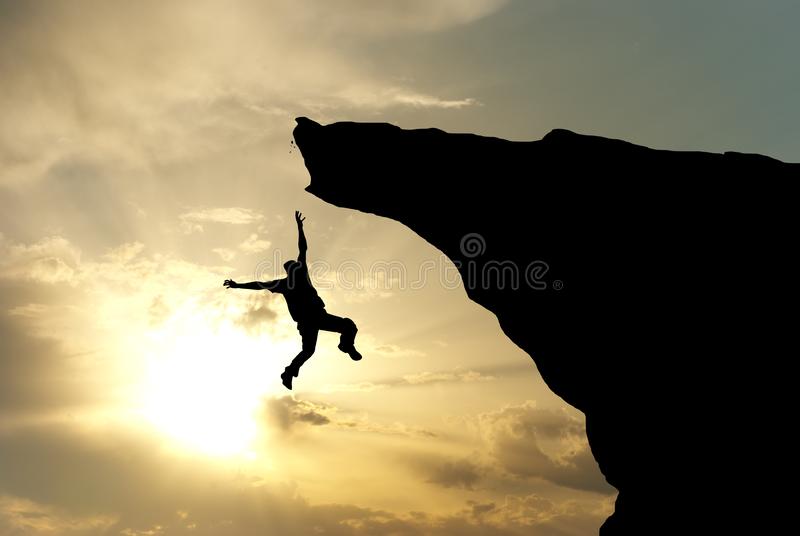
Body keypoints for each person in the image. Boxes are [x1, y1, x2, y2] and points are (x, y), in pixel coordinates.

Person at [224, 211, 361, 390]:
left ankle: (345, 345)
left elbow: (302, 249)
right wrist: (237, 285)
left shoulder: (299, 274)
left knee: (348, 326)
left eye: (297, 267)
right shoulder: (284, 283)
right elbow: (259, 285)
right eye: (295, 268)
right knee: (309, 350)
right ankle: (289, 372)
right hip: (308, 320)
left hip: (318, 316)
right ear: (290, 271)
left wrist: (300, 228)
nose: (298, 268)